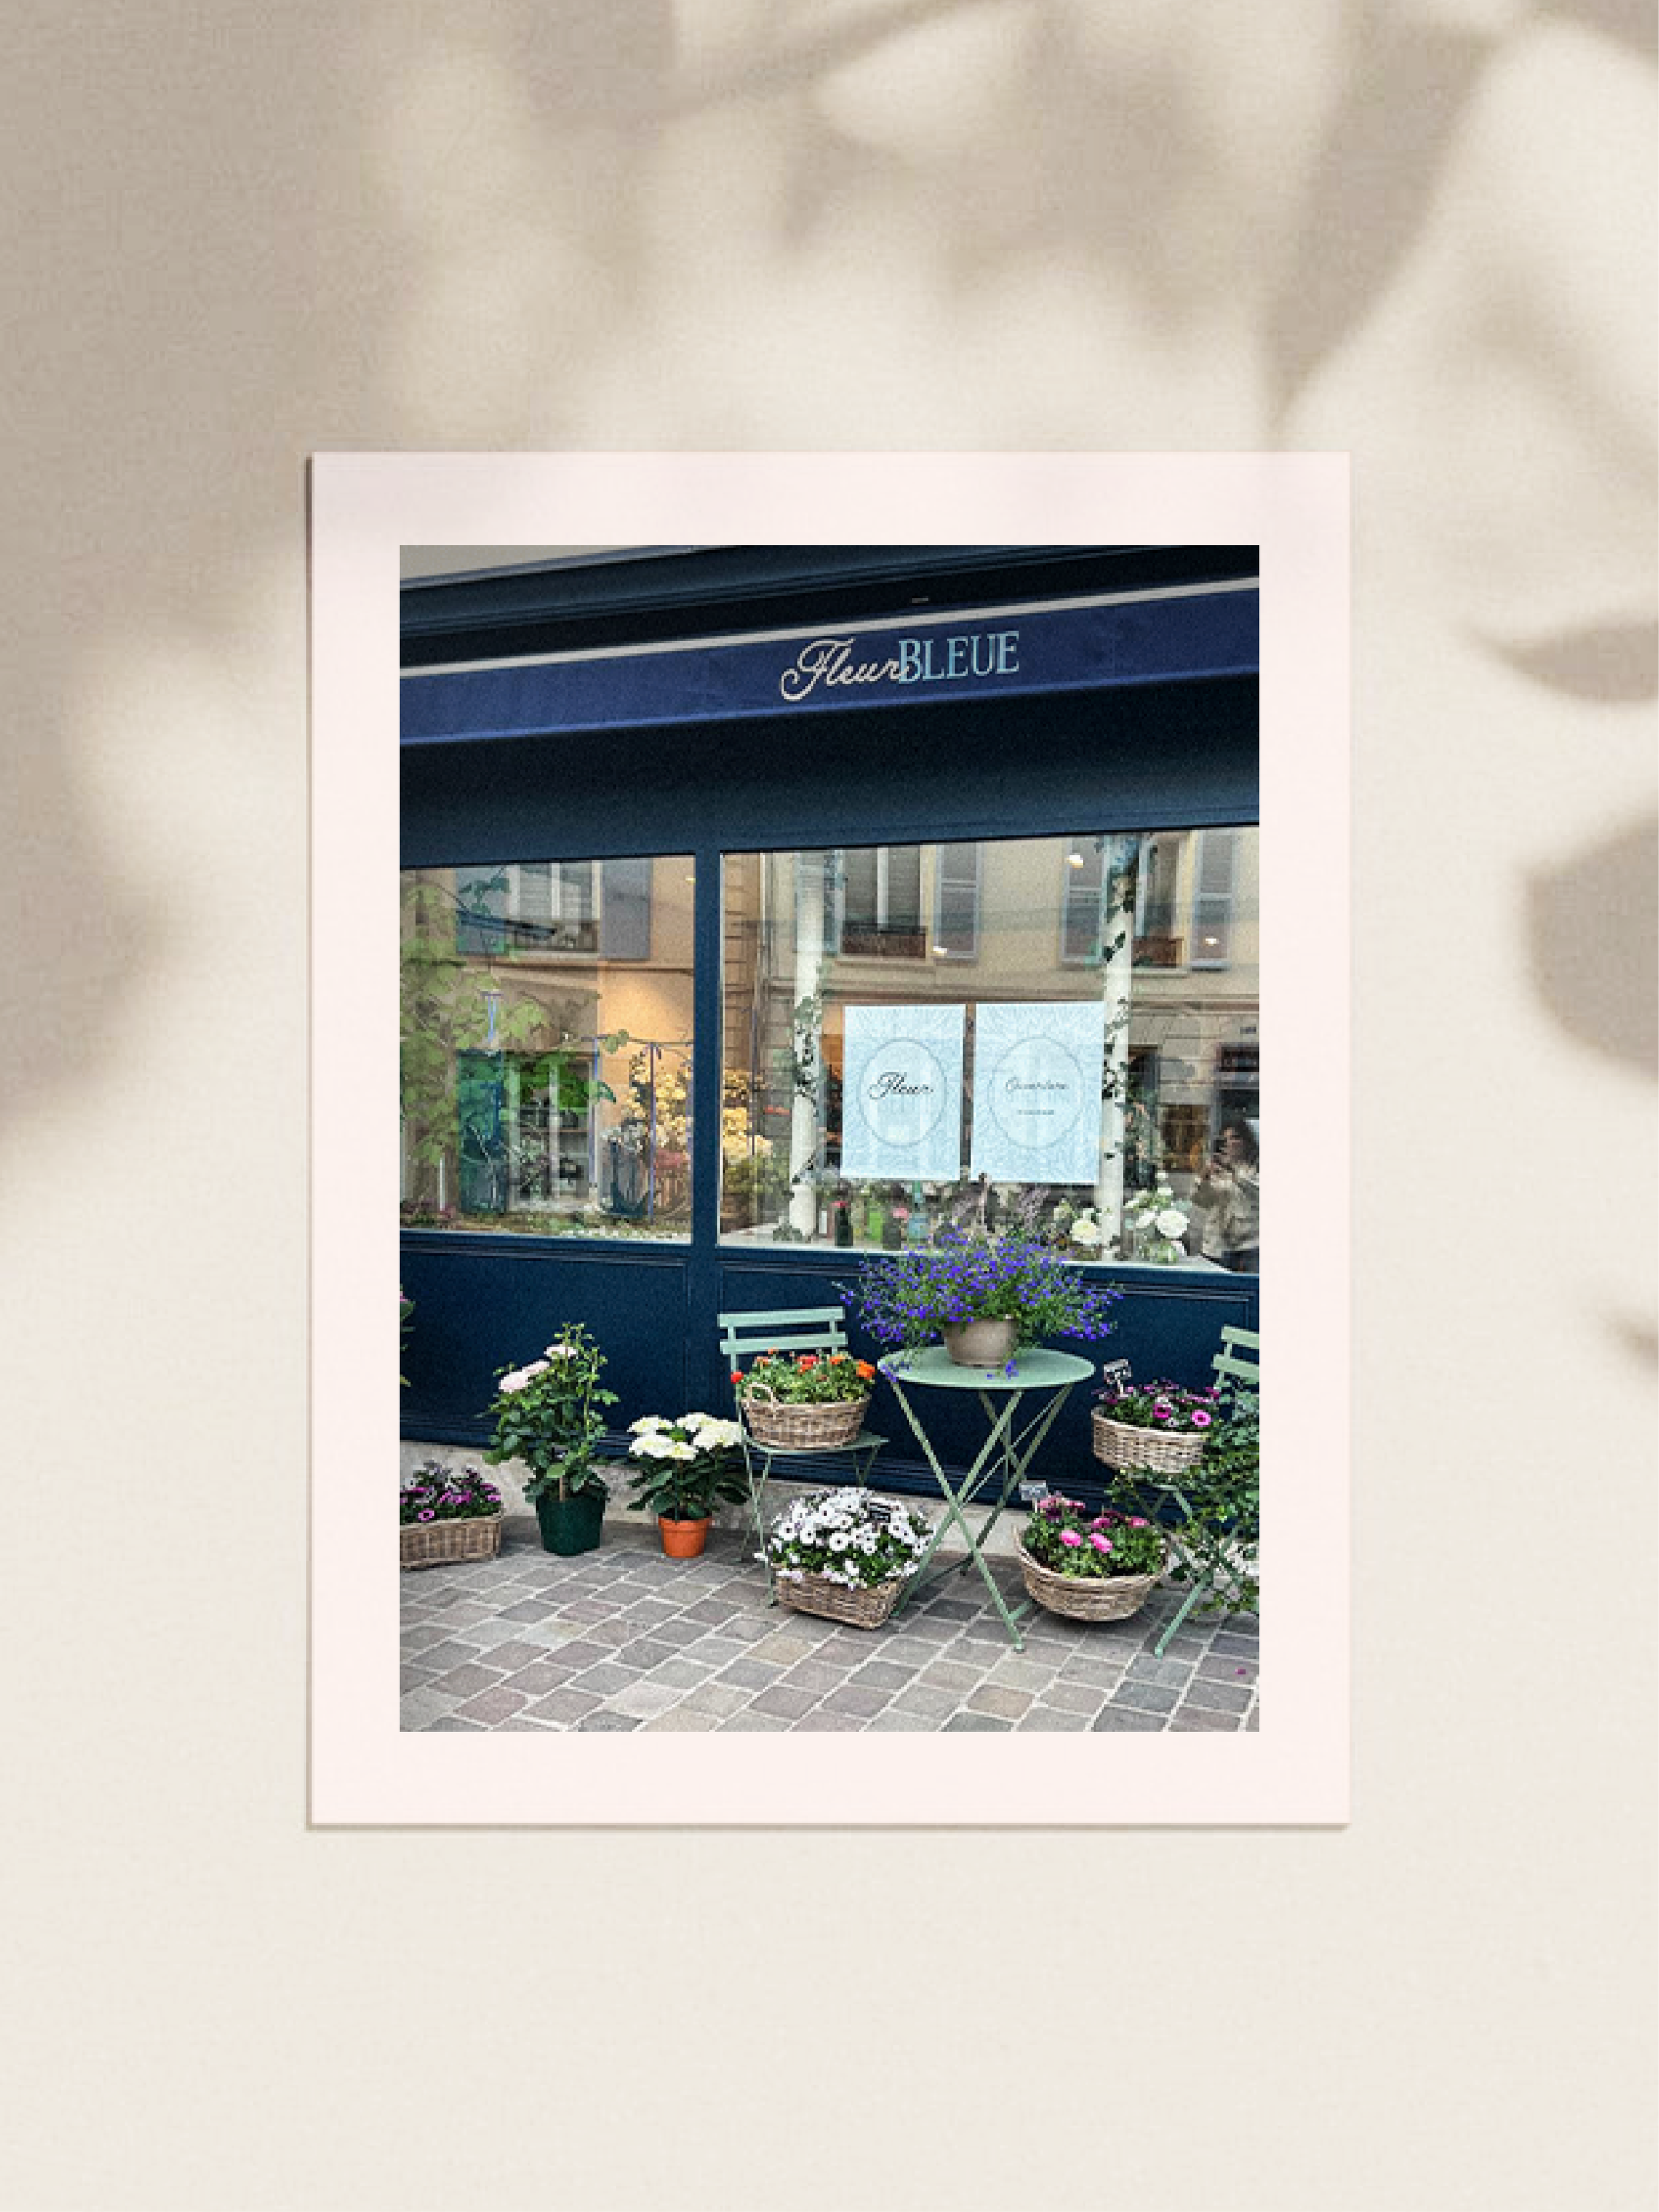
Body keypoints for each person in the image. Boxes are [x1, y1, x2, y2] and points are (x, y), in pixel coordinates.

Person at [1189, 1117, 1259, 1272]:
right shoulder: (1216, 1168)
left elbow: (1257, 1192)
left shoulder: (1256, 1168)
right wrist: (1204, 1179)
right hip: (1217, 1244)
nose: (1229, 1143)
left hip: (1250, 1244)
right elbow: (1201, 1202)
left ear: (1246, 1141)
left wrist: (1233, 1170)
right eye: (1225, 1139)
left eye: (1235, 1138)